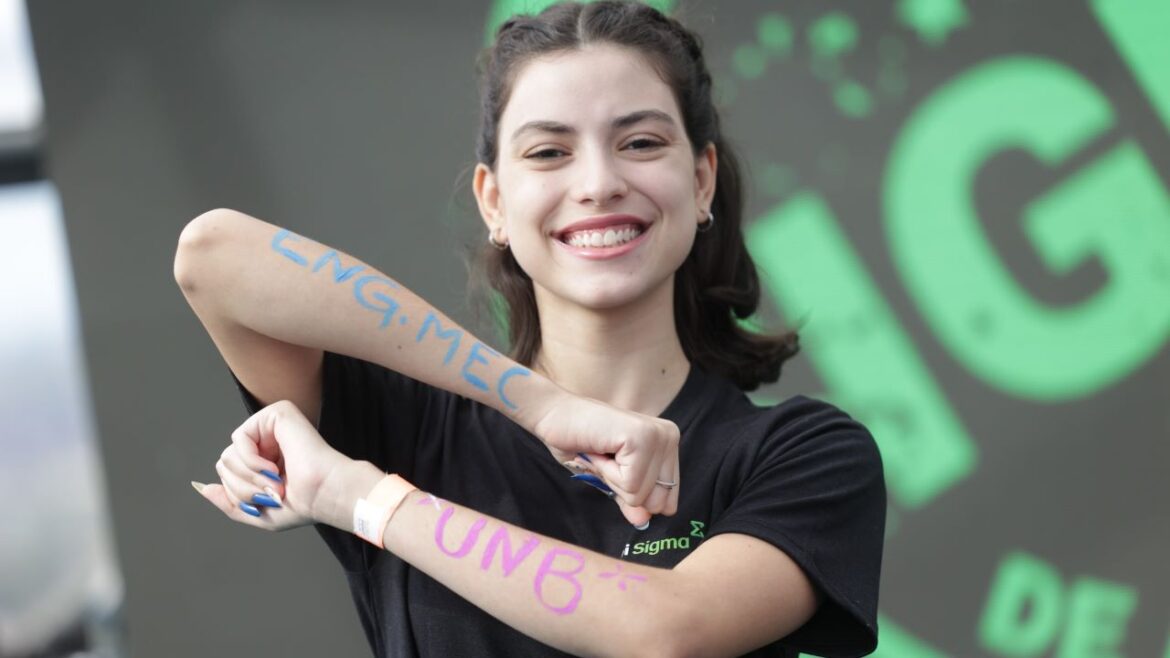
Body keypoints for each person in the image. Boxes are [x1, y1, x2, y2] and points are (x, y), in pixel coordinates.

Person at [174, 2, 885, 656]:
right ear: (494, 201)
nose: (599, 182)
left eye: (639, 142)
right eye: (549, 152)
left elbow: (670, 630)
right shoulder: (411, 430)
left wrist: (357, 497)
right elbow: (212, 255)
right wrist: (538, 404)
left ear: (701, 181)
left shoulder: (804, 454)